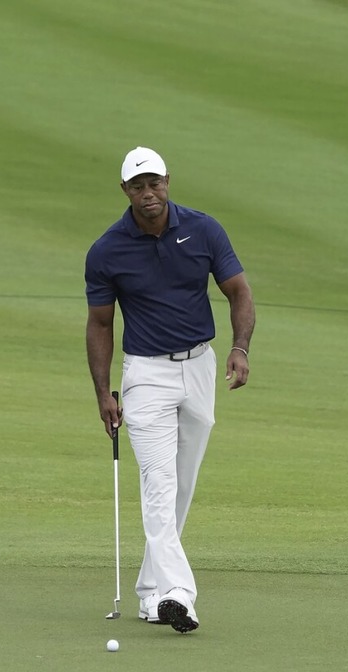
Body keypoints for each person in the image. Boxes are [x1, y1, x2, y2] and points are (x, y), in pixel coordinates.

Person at [84, 146, 255, 634]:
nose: (148, 193)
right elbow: (99, 324)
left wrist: (240, 348)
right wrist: (103, 392)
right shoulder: (107, 250)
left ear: (167, 181)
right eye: (138, 186)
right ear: (125, 192)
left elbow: (238, 291)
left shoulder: (203, 229)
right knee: (158, 483)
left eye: (154, 182)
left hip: (200, 367)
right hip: (146, 377)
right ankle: (179, 593)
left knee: (181, 485)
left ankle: (150, 592)